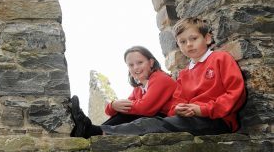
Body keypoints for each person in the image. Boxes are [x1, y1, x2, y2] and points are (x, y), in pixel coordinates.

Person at [71, 17, 246, 137]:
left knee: (154, 123)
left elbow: (235, 94)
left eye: (193, 38)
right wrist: (178, 109)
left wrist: (203, 110)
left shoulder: (220, 58)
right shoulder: (185, 73)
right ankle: (90, 129)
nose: (189, 44)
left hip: (217, 120)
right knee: (152, 121)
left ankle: (94, 131)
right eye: (182, 42)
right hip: (192, 118)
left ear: (207, 38)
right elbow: (178, 101)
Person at [70, 46, 176, 138]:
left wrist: (119, 107)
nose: (136, 67)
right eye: (131, 65)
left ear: (151, 62)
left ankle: (91, 130)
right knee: (124, 112)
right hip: (150, 119)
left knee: (129, 113)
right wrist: (113, 105)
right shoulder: (139, 88)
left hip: (165, 121)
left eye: (140, 62)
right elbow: (118, 109)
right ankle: (88, 130)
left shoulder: (161, 78)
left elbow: (145, 108)